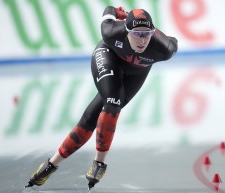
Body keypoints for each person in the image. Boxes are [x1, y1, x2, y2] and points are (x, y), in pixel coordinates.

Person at [25, 6, 178, 190]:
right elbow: (109, 10)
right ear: (126, 31)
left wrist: (156, 35)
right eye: (136, 34)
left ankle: (51, 164)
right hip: (108, 56)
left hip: (136, 73)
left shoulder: (164, 49)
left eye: (146, 34)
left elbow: (173, 42)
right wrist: (118, 13)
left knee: (94, 115)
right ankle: (99, 164)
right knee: (113, 101)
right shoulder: (112, 32)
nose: (142, 40)